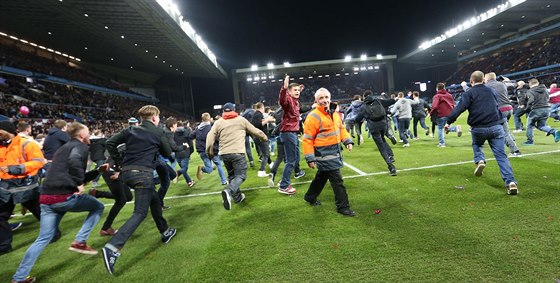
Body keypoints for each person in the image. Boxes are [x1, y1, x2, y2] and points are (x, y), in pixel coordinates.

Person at [11, 122, 106, 283]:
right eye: (88, 133)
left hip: (46, 198)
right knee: (98, 207)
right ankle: (80, 241)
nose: (90, 135)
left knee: (43, 239)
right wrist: (78, 183)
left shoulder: (63, 148)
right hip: (63, 196)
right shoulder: (80, 147)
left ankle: (18, 278)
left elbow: (71, 170)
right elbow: (76, 163)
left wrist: (97, 172)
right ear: (82, 135)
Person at [101, 105, 177, 275]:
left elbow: (109, 142)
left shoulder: (130, 130)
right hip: (143, 174)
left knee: (155, 199)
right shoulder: (157, 131)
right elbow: (167, 152)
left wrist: (120, 162)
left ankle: (165, 231)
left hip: (126, 174)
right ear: (155, 117)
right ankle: (113, 247)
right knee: (140, 213)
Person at [445, 71, 519, 195]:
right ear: (483, 80)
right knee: (501, 156)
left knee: (477, 144)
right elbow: (497, 106)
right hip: (496, 126)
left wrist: (449, 122)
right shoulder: (492, 91)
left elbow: (458, 109)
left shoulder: (469, 93)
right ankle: (511, 182)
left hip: (479, 128)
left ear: (471, 81)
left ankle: (479, 160)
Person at [302, 88, 355, 216]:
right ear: (316, 100)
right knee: (338, 181)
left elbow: (341, 129)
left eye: (326, 97)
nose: (324, 100)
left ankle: (310, 196)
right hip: (324, 155)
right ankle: (343, 207)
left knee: (321, 177)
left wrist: (347, 141)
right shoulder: (313, 117)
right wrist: (310, 158)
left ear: (330, 98)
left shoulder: (334, 113)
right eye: (321, 98)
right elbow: (307, 139)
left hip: (334, 152)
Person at [206, 103, 268, 210]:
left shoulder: (218, 122)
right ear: (234, 110)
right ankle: (228, 191)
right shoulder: (241, 120)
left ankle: (237, 197)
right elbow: (255, 131)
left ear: (224, 111)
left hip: (224, 154)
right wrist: (264, 137)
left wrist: (210, 153)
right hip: (237, 152)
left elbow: (210, 137)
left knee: (231, 176)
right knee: (240, 176)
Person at [0, 120, 45, 256]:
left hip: (26, 186)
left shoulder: (27, 143)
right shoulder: (1, 146)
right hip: (6, 188)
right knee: (0, 216)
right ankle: (4, 245)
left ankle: (53, 233)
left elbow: (39, 162)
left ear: (7, 131)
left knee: (39, 212)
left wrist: (16, 169)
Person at [89, 156, 133, 236]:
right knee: (120, 201)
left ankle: (98, 193)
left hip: (118, 171)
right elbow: (115, 155)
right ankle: (106, 228)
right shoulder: (129, 145)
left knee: (128, 197)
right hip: (110, 171)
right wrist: (118, 171)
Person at [355, 94, 398, 176]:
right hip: (383, 125)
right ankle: (390, 154)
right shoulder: (379, 101)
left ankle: (391, 167)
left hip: (374, 128)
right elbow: (392, 101)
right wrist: (386, 96)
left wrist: (359, 132)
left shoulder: (364, 107)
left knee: (381, 147)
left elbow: (357, 119)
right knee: (383, 138)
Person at [483, 72, 521, 156]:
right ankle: (511, 142)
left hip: (500, 110)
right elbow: (515, 84)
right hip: (509, 108)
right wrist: (506, 79)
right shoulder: (502, 84)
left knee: (504, 131)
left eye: (484, 79)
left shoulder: (486, 86)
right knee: (503, 129)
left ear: (487, 79)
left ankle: (515, 150)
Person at [278, 75, 303, 195]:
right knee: (291, 160)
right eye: (295, 90)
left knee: (294, 158)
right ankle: (284, 186)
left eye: (298, 90)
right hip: (288, 132)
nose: (297, 92)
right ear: (289, 92)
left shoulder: (296, 102)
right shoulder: (288, 100)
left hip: (292, 132)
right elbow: (282, 100)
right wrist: (284, 88)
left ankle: (283, 180)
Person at [191, 113, 228, 185]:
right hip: (211, 150)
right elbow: (216, 139)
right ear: (209, 119)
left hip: (202, 151)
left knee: (210, 169)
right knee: (218, 164)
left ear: (202, 119)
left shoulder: (197, 128)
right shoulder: (211, 128)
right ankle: (224, 181)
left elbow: (191, 136)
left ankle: (202, 168)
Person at [523, 79, 560, 145]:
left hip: (537, 109)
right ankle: (554, 131)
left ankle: (530, 141)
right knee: (541, 126)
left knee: (529, 125)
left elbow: (531, 100)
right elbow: (548, 98)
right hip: (547, 109)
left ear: (530, 84)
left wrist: (527, 108)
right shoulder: (545, 89)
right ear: (537, 83)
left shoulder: (530, 91)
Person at [431, 82, 462, 147]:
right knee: (446, 126)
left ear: (437, 88)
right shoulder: (449, 95)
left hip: (441, 114)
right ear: (444, 88)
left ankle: (442, 143)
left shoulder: (437, 96)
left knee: (440, 128)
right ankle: (455, 128)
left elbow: (434, 106)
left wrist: (431, 113)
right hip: (450, 114)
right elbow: (453, 104)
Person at [251, 102, 275, 177]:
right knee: (266, 155)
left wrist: (269, 120)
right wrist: (267, 120)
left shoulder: (256, 114)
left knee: (266, 152)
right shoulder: (258, 114)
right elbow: (258, 124)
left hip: (258, 136)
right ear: (262, 107)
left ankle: (271, 164)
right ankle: (261, 171)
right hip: (261, 137)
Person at [174, 121, 195, 187]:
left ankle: (189, 182)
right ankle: (177, 173)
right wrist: (191, 152)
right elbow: (190, 144)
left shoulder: (173, 133)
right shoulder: (187, 132)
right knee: (184, 169)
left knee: (183, 169)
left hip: (177, 153)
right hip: (185, 153)